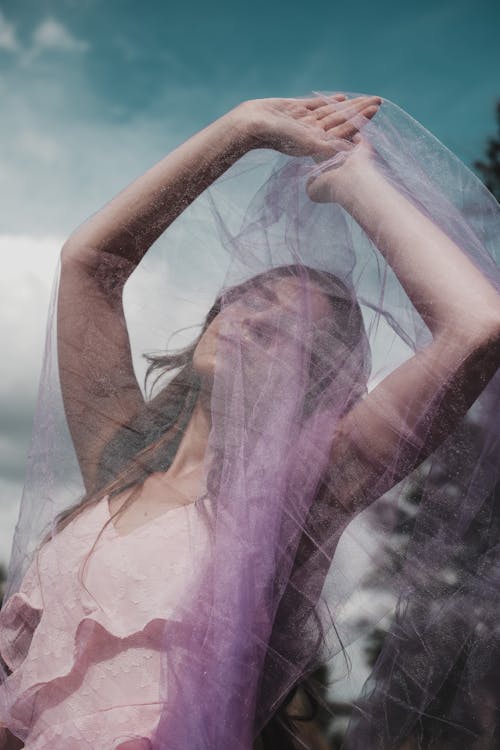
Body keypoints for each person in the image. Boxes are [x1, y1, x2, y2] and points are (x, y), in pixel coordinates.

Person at [1, 92, 500, 749]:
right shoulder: (120, 460)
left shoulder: (302, 492)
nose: (250, 320)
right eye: (248, 300)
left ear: (316, 381)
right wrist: (242, 129)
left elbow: (475, 327)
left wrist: (353, 182)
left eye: (284, 330)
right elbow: (90, 265)